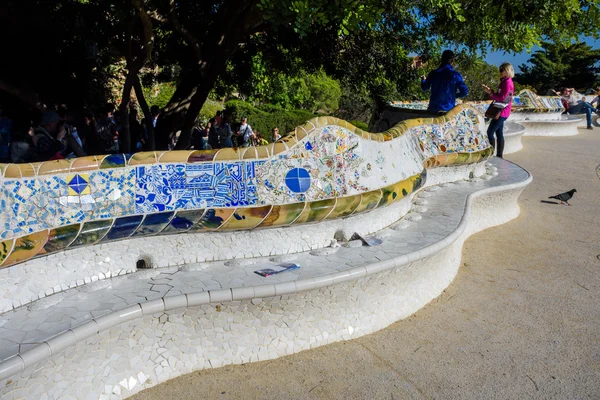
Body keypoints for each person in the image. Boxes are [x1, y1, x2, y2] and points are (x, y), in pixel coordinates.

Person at [482, 62, 515, 159]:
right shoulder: (504, 82)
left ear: (507, 71)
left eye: (502, 70)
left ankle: (492, 155)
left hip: (501, 111)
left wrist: (490, 93)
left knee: (490, 132)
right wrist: (491, 92)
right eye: (499, 69)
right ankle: (499, 156)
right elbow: (501, 95)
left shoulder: (507, 83)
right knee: (499, 133)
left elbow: (501, 98)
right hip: (502, 111)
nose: (499, 72)